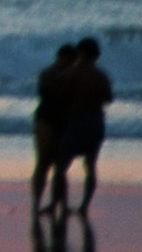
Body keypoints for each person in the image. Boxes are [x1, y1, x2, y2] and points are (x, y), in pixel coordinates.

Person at [57, 36, 113, 212]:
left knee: (61, 166)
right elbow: (108, 98)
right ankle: (83, 206)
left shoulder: (71, 74)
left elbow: (61, 97)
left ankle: (64, 205)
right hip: (96, 120)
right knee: (90, 165)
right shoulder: (101, 76)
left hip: (78, 120)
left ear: (81, 52)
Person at [30, 43, 78, 213]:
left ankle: (60, 205)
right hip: (46, 119)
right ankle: (36, 204)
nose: (73, 64)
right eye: (71, 61)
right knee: (43, 162)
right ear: (62, 58)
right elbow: (49, 95)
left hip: (63, 120)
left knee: (60, 166)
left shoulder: (71, 76)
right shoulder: (48, 74)